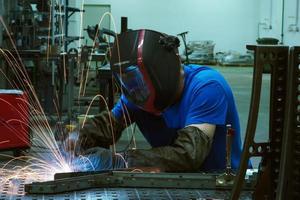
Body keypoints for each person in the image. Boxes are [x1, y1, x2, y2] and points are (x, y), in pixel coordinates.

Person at [70, 29, 243, 172]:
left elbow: (189, 155)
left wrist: (122, 161)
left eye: (141, 83)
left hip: (220, 185)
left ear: (163, 74)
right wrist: (77, 137)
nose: (137, 91)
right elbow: (108, 126)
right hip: (175, 183)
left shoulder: (207, 87)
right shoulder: (138, 92)